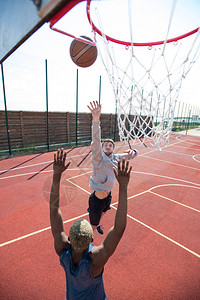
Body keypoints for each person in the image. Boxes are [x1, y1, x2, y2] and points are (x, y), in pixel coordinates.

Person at [50, 148, 132, 300]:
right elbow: (119, 229)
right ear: (91, 241)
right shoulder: (94, 261)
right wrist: (123, 187)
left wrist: (56, 175)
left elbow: (54, 212)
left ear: (68, 238)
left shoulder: (63, 252)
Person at [87, 100, 138, 234]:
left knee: (105, 211)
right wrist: (96, 121)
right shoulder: (98, 157)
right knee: (91, 225)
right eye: (106, 146)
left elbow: (131, 155)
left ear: (113, 149)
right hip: (97, 199)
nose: (108, 146)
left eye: (110, 145)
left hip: (108, 195)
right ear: (102, 149)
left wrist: (134, 152)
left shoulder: (116, 157)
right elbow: (96, 140)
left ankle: (97, 224)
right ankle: (89, 234)